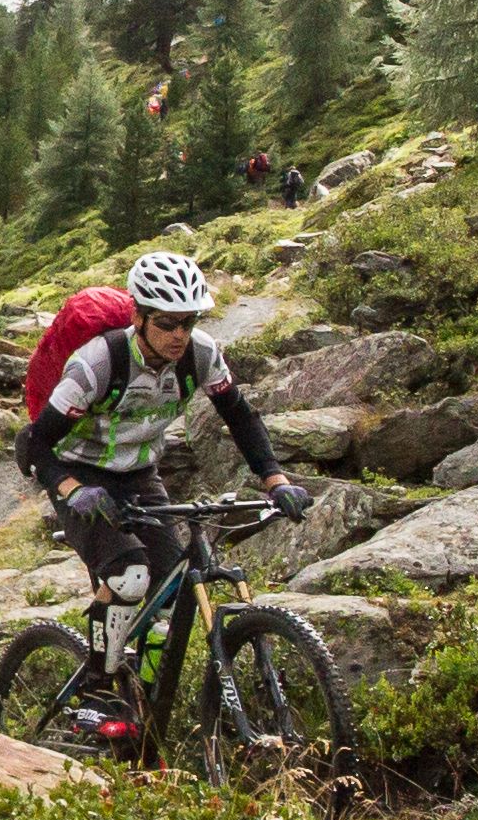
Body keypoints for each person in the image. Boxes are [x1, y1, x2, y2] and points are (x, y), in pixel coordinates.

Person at [17, 250, 306, 595]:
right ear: (138, 317)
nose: (179, 335)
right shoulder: (97, 363)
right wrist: (72, 489)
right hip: (78, 469)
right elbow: (36, 441)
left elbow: (239, 415)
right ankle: (102, 650)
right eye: (167, 324)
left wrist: (276, 480)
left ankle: (151, 646)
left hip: (139, 472)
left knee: (172, 583)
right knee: (130, 576)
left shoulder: (201, 353)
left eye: (189, 322)